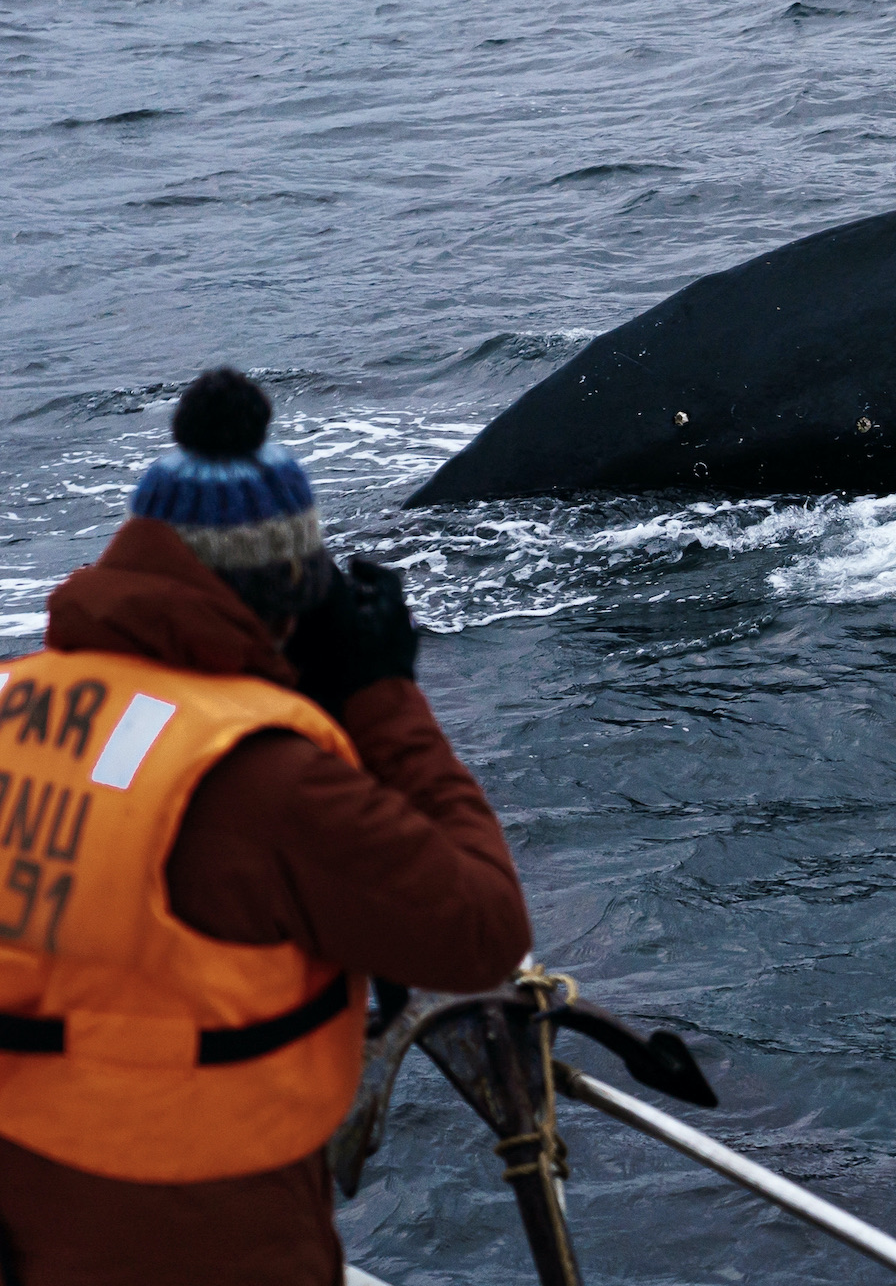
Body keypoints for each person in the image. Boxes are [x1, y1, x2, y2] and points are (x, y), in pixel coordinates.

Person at [0, 368, 532, 1286]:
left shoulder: (19, 706)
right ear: (293, 594)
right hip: (204, 1230)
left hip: (29, 1195)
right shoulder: (262, 779)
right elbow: (481, 931)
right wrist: (384, 698)